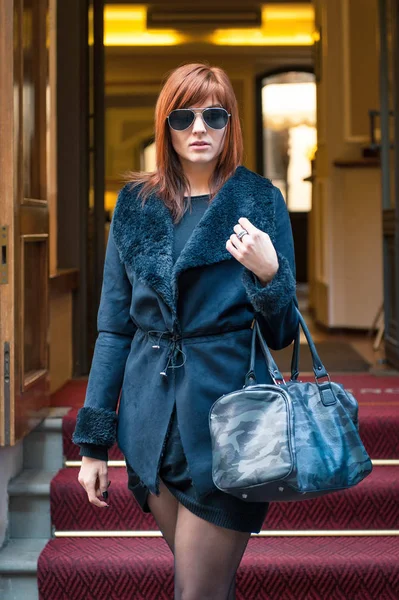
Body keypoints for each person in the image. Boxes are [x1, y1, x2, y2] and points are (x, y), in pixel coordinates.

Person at [72, 62, 299, 599]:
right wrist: (94, 444)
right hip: (151, 426)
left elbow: (284, 332)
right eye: (184, 116)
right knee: (203, 587)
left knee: (197, 591)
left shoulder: (260, 200)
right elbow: (112, 328)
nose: (199, 128)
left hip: (230, 426)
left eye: (214, 115)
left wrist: (270, 274)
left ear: (230, 124)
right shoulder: (135, 205)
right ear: (166, 126)